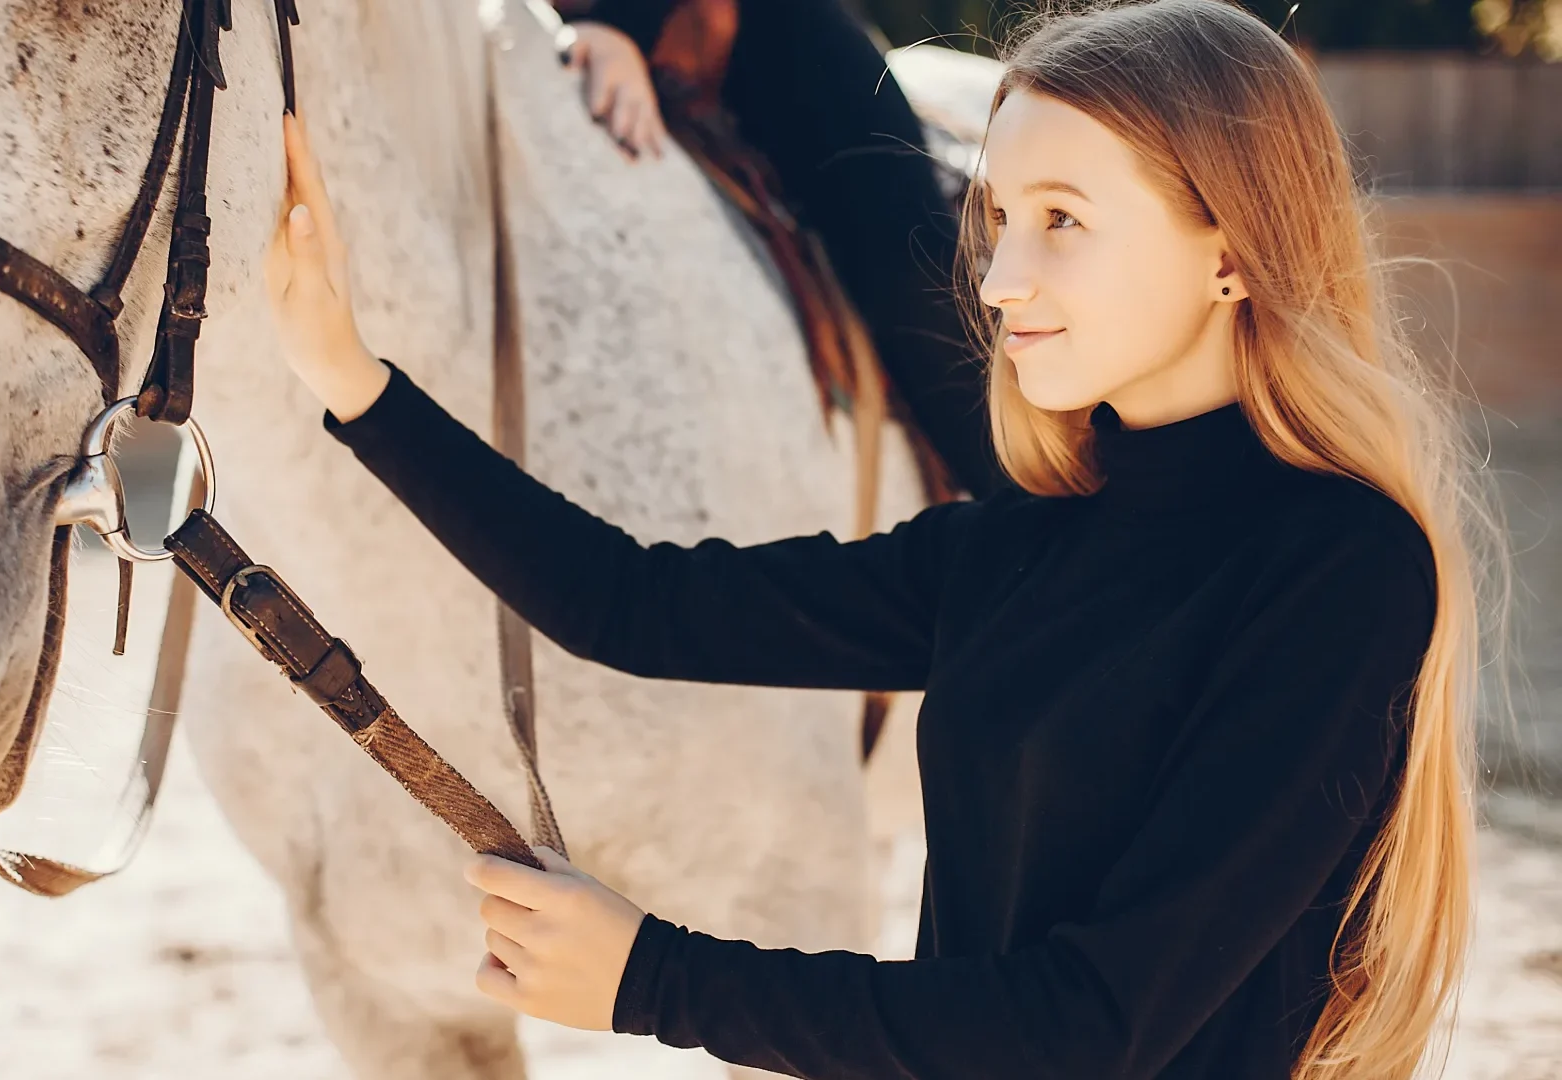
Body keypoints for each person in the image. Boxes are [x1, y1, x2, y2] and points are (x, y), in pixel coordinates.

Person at [264, 1, 1501, 1076]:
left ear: (1231, 251)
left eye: (1062, 220)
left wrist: (654, 980)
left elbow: (1093, 1027)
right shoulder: (1014, 545)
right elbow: (626, 607)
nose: (1003, 278)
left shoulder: (1342, 568)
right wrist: (353, 379)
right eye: (1000, 218)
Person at [564, 0, 1010, 498]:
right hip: (555, 42)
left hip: (774, 47)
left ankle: (1033, 528)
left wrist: (620, 26)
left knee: (916, 288)